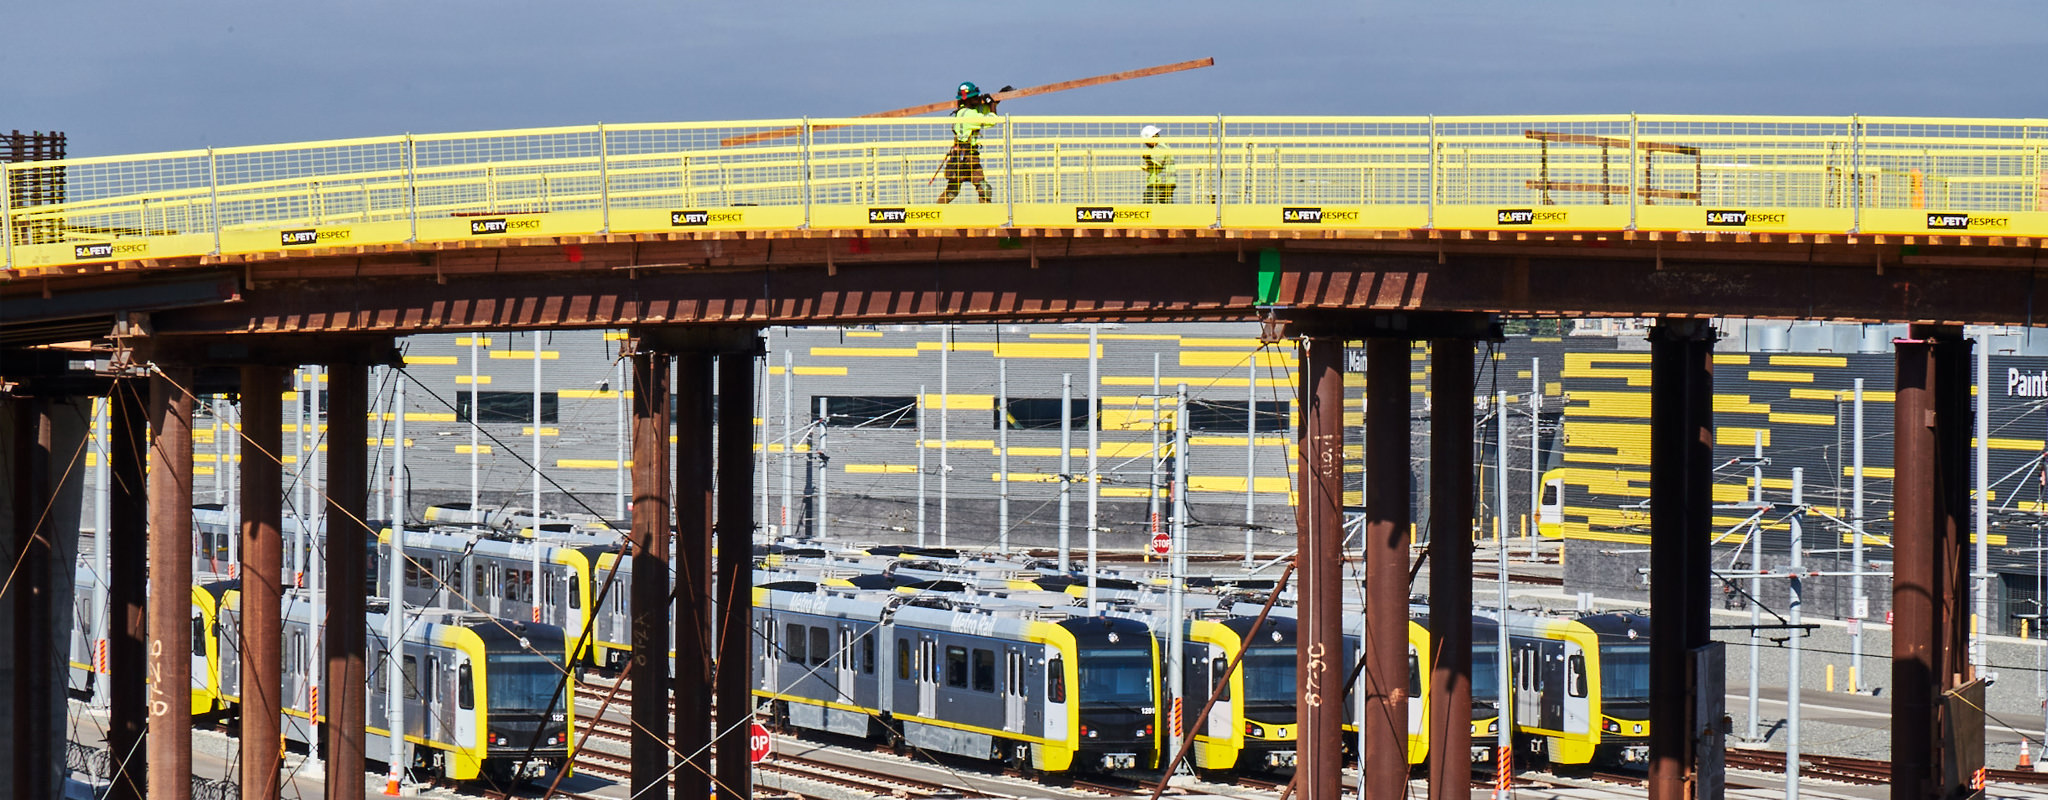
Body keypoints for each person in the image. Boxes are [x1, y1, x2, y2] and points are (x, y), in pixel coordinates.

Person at [935, 82, 1000, 204]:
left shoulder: (964, 112)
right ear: (970, 99)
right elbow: (992, 120)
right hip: (966, 158)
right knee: (979, 189)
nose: (978, 98)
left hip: (964, 157)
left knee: (962, 190)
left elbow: (981, 112)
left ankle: (938, 211)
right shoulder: (969, 115)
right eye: (976, 96)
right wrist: (992, 104)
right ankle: (986, 215)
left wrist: (997, 99)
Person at [1139, 125, 1176, 204]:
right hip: (1166, 182)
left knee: (1149, 205)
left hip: (1160, 183)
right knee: (1166, 208)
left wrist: (1147, 158)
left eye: (1146, 141)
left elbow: (1157, 164)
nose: (1146, 144)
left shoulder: (1160, 148)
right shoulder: (1164, 146)